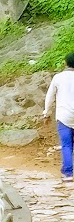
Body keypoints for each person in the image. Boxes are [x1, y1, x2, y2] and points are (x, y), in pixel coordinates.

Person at [43, 52, 74, 182]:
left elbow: (50, 97)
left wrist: (46, 113)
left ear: (65, 63)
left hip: (64, 116)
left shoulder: (58, 77)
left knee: (66, 145)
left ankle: (68, 173)